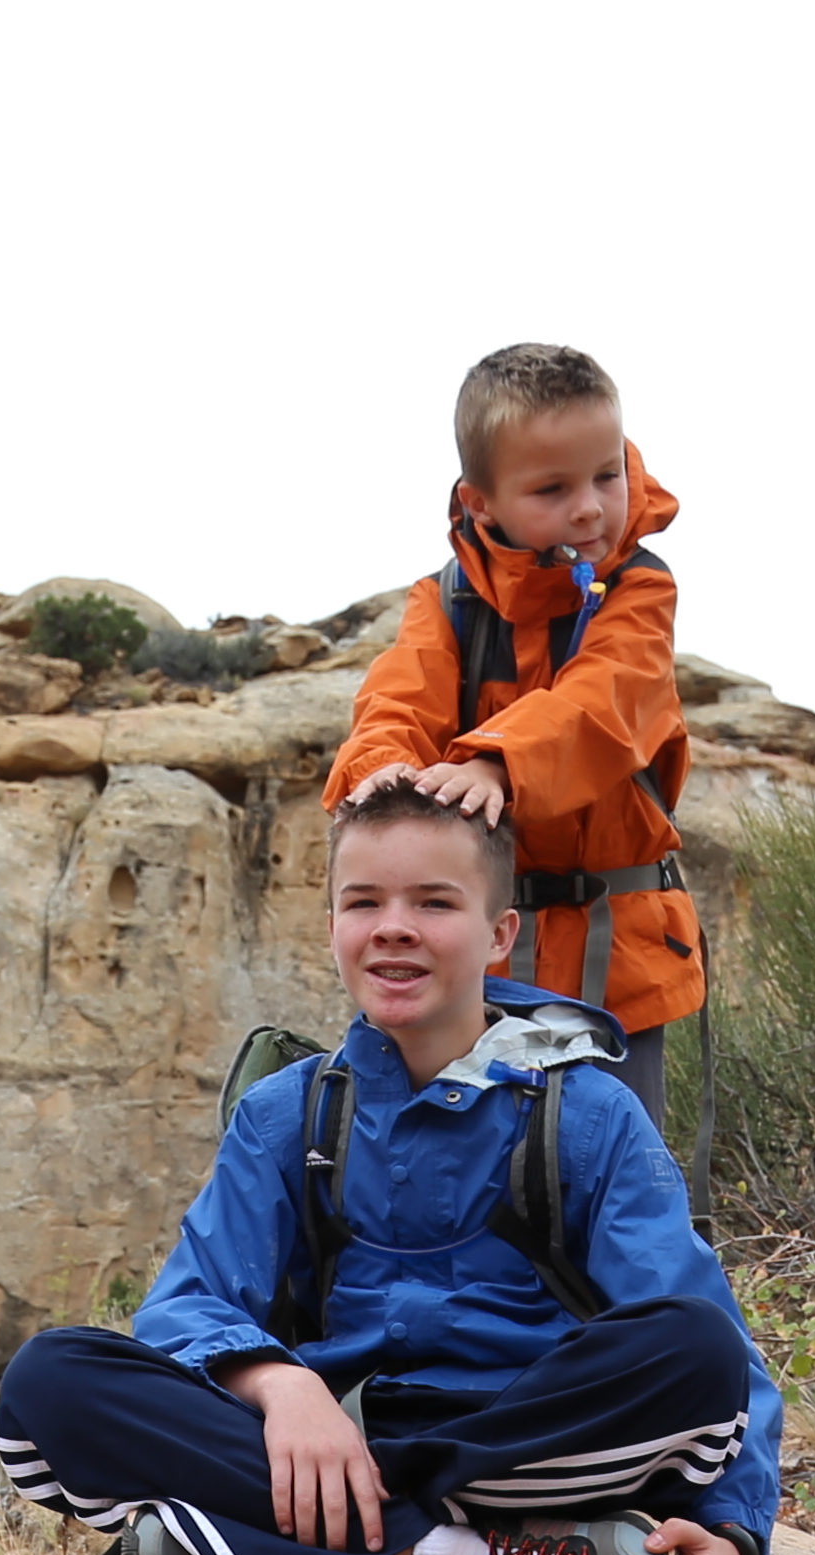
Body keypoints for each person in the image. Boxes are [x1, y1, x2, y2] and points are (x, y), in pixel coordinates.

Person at [0, 782, 782, 1555]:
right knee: (47, 1381)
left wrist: (734, 1545)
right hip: (319, 1444)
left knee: (692, 1349)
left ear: (500, 933)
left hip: (516, 1444)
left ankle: (247, 1534)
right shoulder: (285, 1114)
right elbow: (187, 1305)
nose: (393, 926)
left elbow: (717, 1348)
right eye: (363, 901)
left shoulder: (589, 1113)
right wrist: (282, 1386)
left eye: (435, 903)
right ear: (332, 925)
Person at [326, 340, 706, 1117]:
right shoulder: (448, 602)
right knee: (468, 1172)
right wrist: (383, 766)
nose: (591, 507)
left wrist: (497, 763)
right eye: (552, 489)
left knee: (611, 1180)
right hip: (473, 969)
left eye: (608, 474)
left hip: (614, 970)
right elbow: (399, 695)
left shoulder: (639, 589)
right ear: (481, 502)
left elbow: (604, 704)